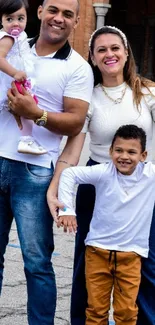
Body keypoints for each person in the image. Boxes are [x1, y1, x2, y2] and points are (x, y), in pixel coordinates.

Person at [47, 26, 155, 325]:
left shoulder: (147, 92)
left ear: (126, 52)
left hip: (141, 190)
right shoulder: (88, 98)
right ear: (93, 58)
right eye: (101, 50)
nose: (110, 54)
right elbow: (72, 149)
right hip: (97, 185)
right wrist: (55, 191)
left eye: (115, 48)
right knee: (88, 263)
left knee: (146, 264)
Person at [0, 0, 94, 324]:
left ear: (77, 21)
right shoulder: (12, 46)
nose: (59, 18)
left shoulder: (78, 67)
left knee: (37, 263)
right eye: (53, 9)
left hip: (35, 172)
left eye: (68, 14)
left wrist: (34, 113)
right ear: (39, 12)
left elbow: (75, 122)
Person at [57, 124, 155, 325]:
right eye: (118, 150)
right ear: (110, 152)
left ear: (143, 155)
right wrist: (67, 209)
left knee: (126, 313)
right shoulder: (103, 172)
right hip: (97, 253)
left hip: (131, 256)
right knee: (95, 311)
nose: (124, 156)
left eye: (131, 152)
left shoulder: (150, 175)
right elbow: (69, 174)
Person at [0, 0, 47, 155]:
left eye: (20, 19)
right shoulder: (7, 38)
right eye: (9, 19)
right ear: (1, 20)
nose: (16, 24)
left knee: (24, 109)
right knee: (27, 107)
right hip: (12, 80)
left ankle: (25, 139)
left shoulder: (21, 36)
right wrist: (14, 72)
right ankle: (26, 140)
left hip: (16, 79)